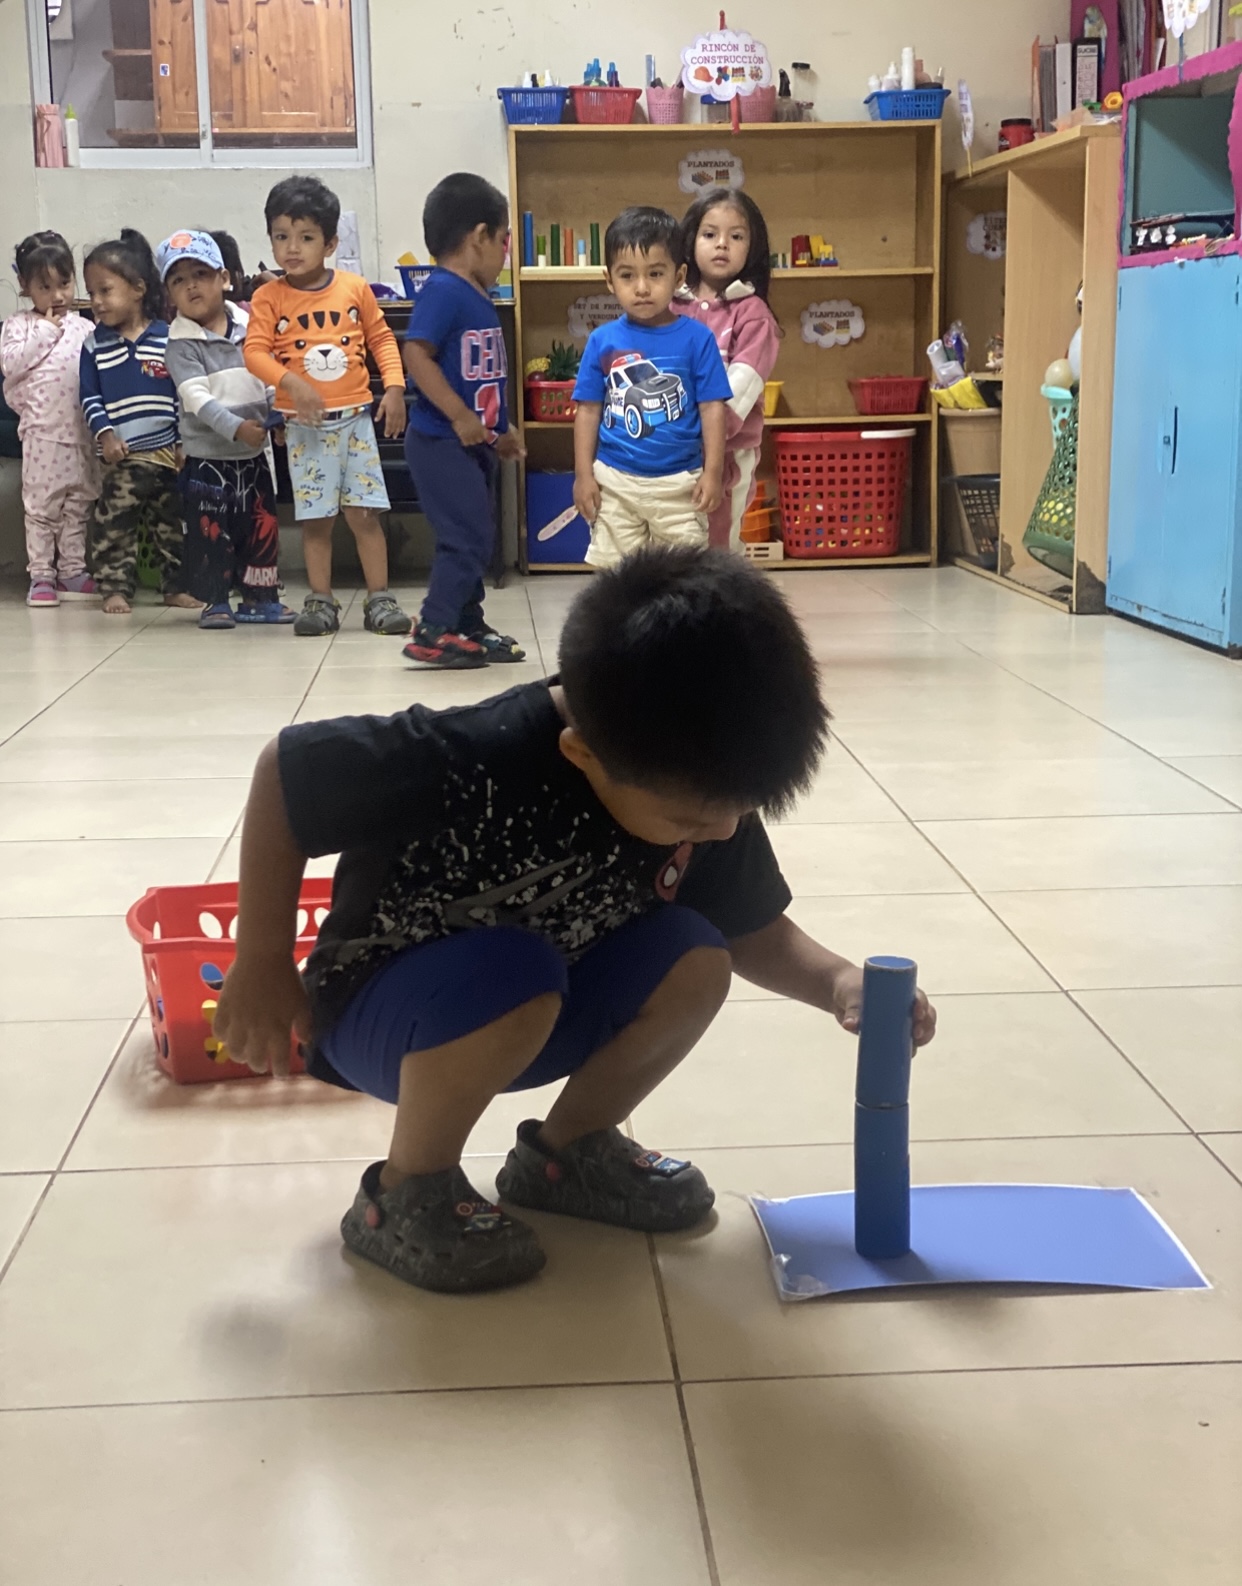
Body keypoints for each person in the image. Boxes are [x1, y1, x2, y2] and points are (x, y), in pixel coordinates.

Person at [214, 548, 937, 1296]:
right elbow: (286, 770)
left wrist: (839, 983)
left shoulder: (702, 782)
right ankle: (405, 1191)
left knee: (697, 955)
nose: (720, 832)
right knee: (517, 973)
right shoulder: (474, 752)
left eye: (739, 812)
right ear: (581, 754)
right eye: (692, 820)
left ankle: (568, 1153)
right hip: (383, 1016)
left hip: (535, 1001)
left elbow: (750, 926)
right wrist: (262, 958)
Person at [244, 175, 410, 638]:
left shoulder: (355, 289)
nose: (292, 248)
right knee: (316, 519)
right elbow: (254, 353)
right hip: (305, 428)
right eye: (281, 237)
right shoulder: (268, 297)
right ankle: (320, 600)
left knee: (364, 515)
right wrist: (290, 383)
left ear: (331, 243)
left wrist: (394, 388)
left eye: (306, 237)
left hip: (356, 422)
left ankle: (380, 598)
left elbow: (382, 340)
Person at [401, 172, 527, 669]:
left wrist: (499, 429)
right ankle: (434, 627)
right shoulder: (444, 291)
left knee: (476, 533)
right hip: (440, 442)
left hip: (472, 443)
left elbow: (481, 377)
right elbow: (416, 355)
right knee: (466, 534)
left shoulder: (476, 295)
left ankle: (466, 622)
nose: (504, 255)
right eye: (503, 242)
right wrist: (458, 417)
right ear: (479, 237)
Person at [572, 206, 730, 568]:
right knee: (616, 579)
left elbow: (712, 408)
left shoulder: (698, 339)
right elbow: (588, 410)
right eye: (627, 275)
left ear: (679, 276)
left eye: (655, 273)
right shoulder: (602, 341)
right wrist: (583, 475)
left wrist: (713, 472)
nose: (642, 288)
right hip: (615, 482)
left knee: (683, 578)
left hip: (681, 486)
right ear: (609, 279)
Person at [159, 230, 294, 630]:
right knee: (211, 534)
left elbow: (268, 377)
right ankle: (216, 601)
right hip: (208, 461)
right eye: (178, 280)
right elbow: (197, 400)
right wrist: (236, 429)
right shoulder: (180, 343)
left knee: (261, 528)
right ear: (169, 294)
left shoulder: (251, 326)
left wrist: (279, 414)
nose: (191, 286)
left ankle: (260, 599)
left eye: (200, 274)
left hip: (253, 457)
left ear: (224, 278)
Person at [79, 229, 200, 616]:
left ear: (137, 289)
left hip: (166, 455)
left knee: (173, 524)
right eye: (91, 292)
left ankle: (176, 586)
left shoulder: (168, 337)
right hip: (123, 456)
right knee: (115, 524)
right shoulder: (94, 345)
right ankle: (114, 588)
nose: (96, 302)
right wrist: (106, 435)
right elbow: (89, 397)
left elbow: (182, 395)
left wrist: (182, 443)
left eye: (105, 290)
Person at [677, 188, 781, 550]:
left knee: (718, 545)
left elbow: (741, 389)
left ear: (753, 247)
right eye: (710, 234)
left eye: (736, 236)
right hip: (670, 453)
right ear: (690, 240)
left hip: (728, 456)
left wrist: (701, 436)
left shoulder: (754, 315)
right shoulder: (670, 305)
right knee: (673, 543)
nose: (722, 244)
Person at [0, 231, 99, 607]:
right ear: (26, 286)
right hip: (42, 434)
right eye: (45, 286)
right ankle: (41, 574)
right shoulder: (19, 326)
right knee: (42, 508)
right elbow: (12, 365)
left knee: (78, 505)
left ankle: (72, 570)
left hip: (81, 434)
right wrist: (44, 331)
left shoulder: (85, 327)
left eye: (65, 283)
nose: (57, 295)